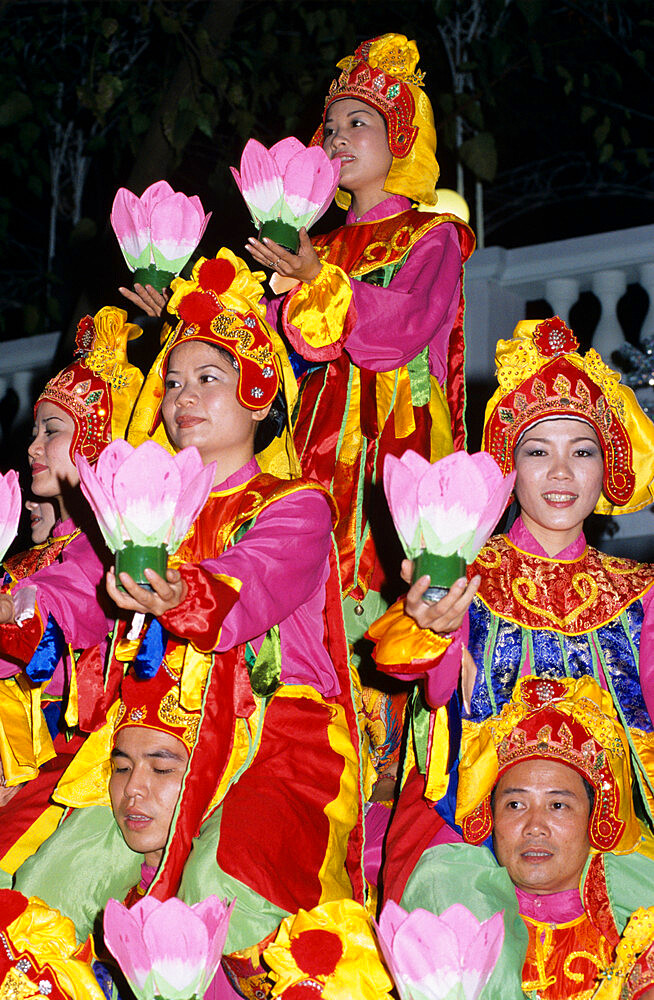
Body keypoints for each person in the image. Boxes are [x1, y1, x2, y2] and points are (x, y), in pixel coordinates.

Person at [26, 249, 362, 998]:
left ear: (258, 392)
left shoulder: (295, 504)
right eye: (173, 381)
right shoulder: (142, 503)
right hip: (148, 744)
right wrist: (24, 610)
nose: (182, 397)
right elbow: (77, 588)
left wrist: (177, 589)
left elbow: (252, 589)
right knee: (49, 883)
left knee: (227, 890)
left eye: (208, 379)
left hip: (272, 742)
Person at [368, 316, 654, 898]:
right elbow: (424, 681)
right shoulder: (462, 572)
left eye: (582, 451)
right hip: (464, 819)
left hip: (607, 831)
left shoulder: (639, 591)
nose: (560, 473)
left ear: (608, 469)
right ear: (508, 469)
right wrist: (435, 631)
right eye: (536, 450)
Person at [400, 676, 654, 999]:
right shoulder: (462, 911)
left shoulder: (632, 920)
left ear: (594, 818)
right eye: (516, 804)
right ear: (491, 817)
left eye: (558, 805)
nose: (535, 826)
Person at [0, 306, 143, 873]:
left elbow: (54, 615)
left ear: (96, 437)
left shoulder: (105, 546)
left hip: (70, 763)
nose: (32, 447)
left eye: (51, 432)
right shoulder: (39, 550)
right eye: (34, 431)